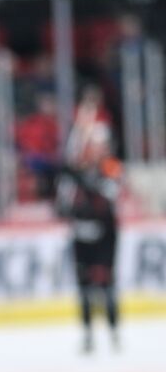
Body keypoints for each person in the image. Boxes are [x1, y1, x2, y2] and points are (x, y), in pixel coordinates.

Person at [56, 122, 121, 354]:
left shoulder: (111, 166)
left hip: (105, 235)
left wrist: (82, 177)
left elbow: (109, 191)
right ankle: (87, 334)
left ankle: (113, 331)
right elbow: (63, 204)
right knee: (84, 287)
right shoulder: (76, 171)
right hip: (81, 234)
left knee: (106, 284)